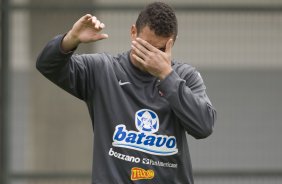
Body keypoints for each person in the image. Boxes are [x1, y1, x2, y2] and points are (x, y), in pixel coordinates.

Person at [36, 2, 216, 183]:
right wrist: (70, 39)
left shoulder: (184, 76)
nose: (151, 55)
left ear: (172, 43)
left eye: (160, 50)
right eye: (146, 46)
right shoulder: (104, 70)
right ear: (133, 33)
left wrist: (166, 75)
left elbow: (204, 126)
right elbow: (47, 65)